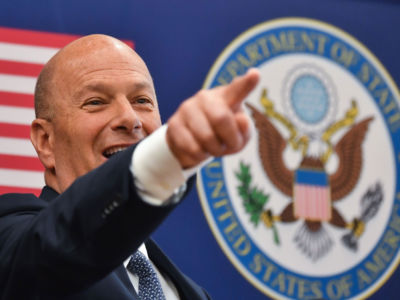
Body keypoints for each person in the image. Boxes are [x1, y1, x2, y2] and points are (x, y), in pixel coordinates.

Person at [0, 34, 259, 299]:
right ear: (46, 141)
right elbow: (54, 252)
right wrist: (168, 156)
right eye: (96, 102)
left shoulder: (194, 293)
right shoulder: (12, 242)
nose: (130, 118)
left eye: (141, 101)